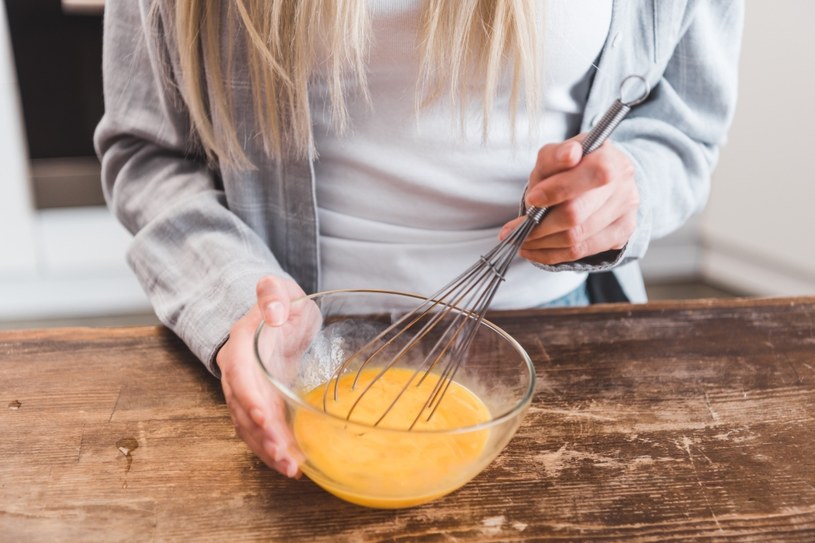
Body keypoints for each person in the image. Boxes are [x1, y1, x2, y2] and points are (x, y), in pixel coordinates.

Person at [95, 1, 744, 478]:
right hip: (295, 357)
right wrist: (243, 302)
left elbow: (681, 128)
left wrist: (625, 193)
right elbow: (147, 154)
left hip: (558, 340)